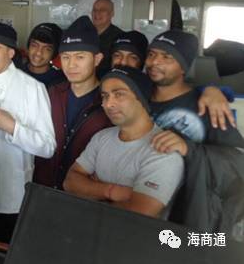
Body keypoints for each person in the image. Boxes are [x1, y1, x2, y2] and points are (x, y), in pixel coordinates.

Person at [0, 22, 56, 242]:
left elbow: (48, 147)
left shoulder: (33, 89)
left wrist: (12, 127)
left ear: (11, 53)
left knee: (4, 249)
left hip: (11, 194)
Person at [144, 30, 244, 231]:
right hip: (140, 201)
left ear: (184, 66)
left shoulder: (208, 107)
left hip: (186, 212)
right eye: (151, 54)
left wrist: (188, 149)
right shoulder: (137, 96)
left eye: (167, 57)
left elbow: (237, 164)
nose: (154, 62)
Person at [64, 66, 184, 219]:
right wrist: (113, 192)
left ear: (141, 97)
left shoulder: (163, 150)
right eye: (105, 96)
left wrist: (91, 188)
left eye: (119, 94)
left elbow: (138, 214)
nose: (108, 104)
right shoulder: (101, 137)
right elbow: (70, 182)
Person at [34, 16, 112, 189]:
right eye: (66, 57)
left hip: (82, 194)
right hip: (43, 188)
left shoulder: (108, 102)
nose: (71, 65)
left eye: (80, 57)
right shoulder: (52, 93)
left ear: (97, 59)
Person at [23, 22, 66, 88]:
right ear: (28, 47)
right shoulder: (16, 72)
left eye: (47, 49)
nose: (38, 53)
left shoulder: (61, 81)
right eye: (34, 45)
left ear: (54, 53)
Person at [92, 0, 123, 77]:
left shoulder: (120, 37)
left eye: (102, 10)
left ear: (112, 13)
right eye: (94, 10)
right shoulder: (84, 34)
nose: (97, 13)